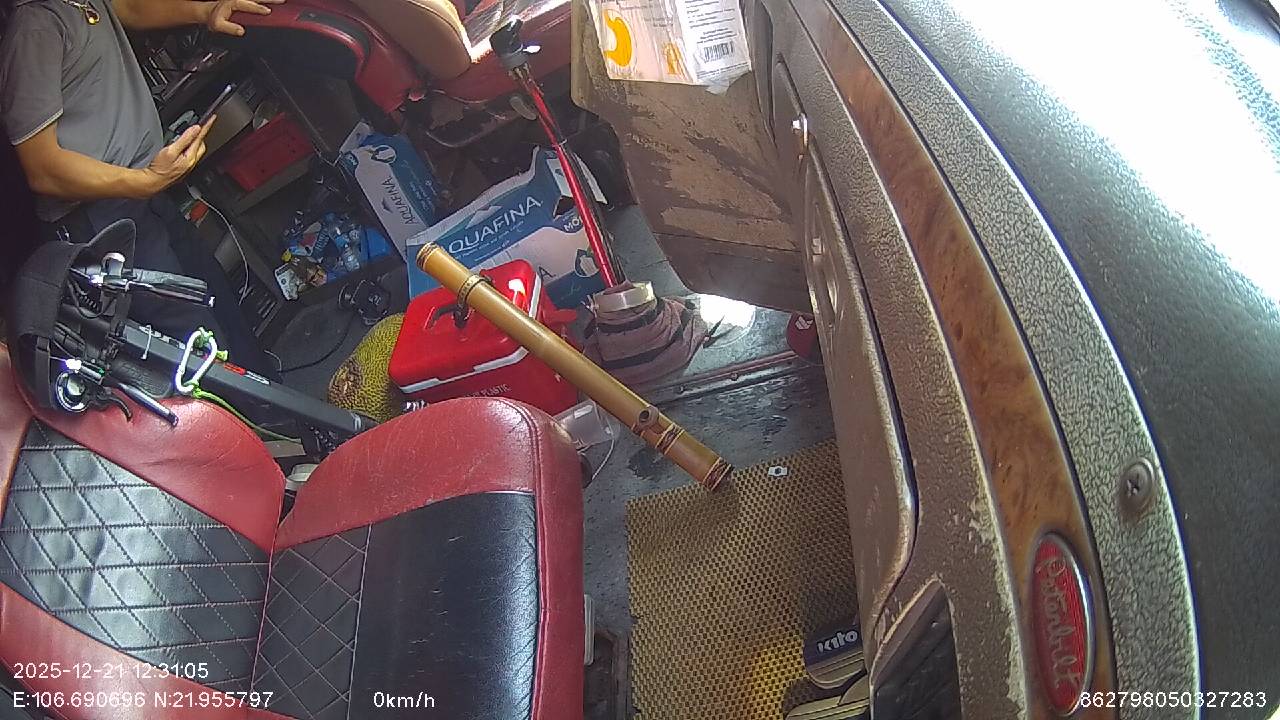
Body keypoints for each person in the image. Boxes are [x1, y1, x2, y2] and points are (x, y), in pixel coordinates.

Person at [0, 0, 282, 373]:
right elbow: (42, 169)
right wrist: (143, 181)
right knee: (194, 340)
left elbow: (130, 9)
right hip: (100, 219)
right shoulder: (34, 28)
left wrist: (206, 11)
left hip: (141, 194)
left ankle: (273, 396)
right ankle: (244, 410)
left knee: (215, 297)